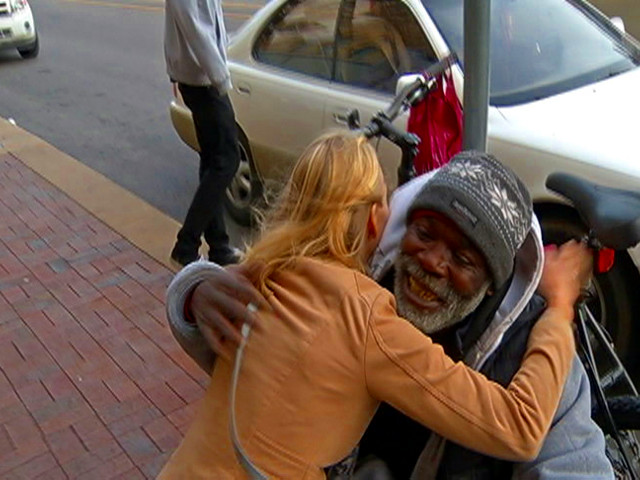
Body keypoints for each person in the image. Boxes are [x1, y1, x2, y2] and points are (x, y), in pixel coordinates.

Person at [159, 133, 588, 479]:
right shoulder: (363, 301)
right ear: (383, 222)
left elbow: (563, 454)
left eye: (463, 259)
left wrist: (557, 314)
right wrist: (195, 293)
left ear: (492, 286)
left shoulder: (532, 350)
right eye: (424, 232)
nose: (433, 263)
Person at [164, 0, 241, 267]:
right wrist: (220, 77)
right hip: (202, 78)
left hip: (202, 74)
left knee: (212, 159)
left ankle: (218, 245)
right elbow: (193, 26)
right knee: (228, 158)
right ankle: (186, 244)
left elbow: (210, 20)